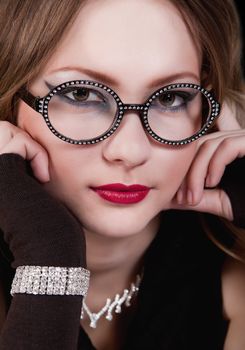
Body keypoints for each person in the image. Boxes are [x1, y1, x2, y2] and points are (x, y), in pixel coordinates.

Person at [0, 0, 245, 349]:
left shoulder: (232, 271)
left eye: (172, 97)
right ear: (10, 101)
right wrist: (50, 254)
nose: (130, 151)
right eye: (81, 94)